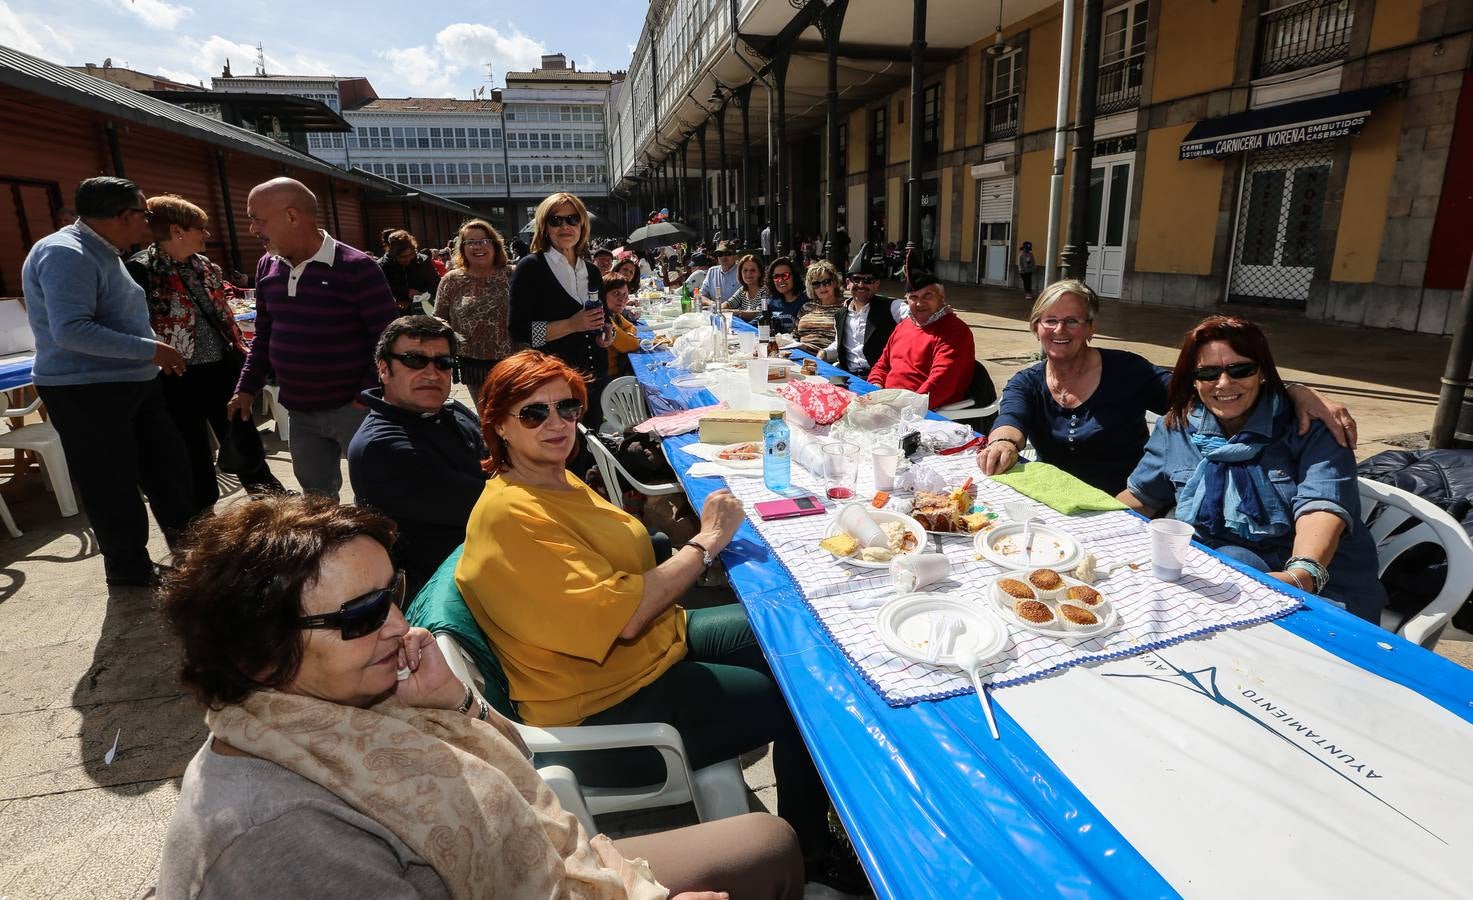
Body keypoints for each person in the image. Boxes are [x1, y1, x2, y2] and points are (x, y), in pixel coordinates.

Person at [155, 494, 805, 900]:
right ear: (255, 653)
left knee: (765, 842)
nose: (396, 627)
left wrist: (459, 706)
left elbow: (523, 769)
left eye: (391, 595)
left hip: (541, 861)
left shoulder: (340, 701)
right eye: (357, 616)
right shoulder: (285, 838)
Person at [455, 351, 864, 889]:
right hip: (609, 706)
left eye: (568, 407)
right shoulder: (512, 515)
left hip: (656, 644)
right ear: (499, 425)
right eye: (533, 413)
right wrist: (708, 540)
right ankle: (811, 851)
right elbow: (624, 617)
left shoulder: (550, 478)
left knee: (796, 627)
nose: (556, 423)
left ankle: (835, 794)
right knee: (803, 697)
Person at [1119, 316, 1387, 622]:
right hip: (1218, 575)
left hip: (1319, 588)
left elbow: (1321, 509)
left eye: (1240, 370)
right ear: (1193, 380)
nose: (1224, 384)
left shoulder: (1310, 426)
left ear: (1262, 373)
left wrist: (1302, 574)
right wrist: (1090, 527)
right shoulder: (1178, 425)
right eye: (1208, 373)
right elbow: (1142, 495)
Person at [977, 280, 1358, 495]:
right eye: (1051, 321)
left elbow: (1210, 390)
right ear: (1036, 327)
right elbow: (1012, 417)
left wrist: (1292, 389)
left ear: (1091, 328)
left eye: (1073, 321)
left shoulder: (1127, 370)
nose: (1060, 331)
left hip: (1130, 501)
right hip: (1057, 500)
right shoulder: (1028, 380)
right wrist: (1003, 443)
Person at [20, 176, 203, 586]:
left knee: (168, 470)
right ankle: (129, 570)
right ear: (124, 215)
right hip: (87, 390)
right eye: (144, 214)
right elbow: (72, 331)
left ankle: (194, 556)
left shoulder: (104, 250)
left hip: (131, 382)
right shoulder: (66, 253)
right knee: (112, 483)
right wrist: (151, 349)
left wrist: (148, 350)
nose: (147, 223)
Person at [228, 177, 399, 498]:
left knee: (377, 495)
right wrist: (246, 388)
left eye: (257, 219)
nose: (252, 229)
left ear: (292, 216)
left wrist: (365, 395)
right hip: (300, 412)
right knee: (317, 501)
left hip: (354, 411)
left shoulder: (357, 267)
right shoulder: (267, 266)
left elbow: (388, 339)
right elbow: (264, 336)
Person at [125, 194, 284, 504]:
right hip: (177, 375)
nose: (207, 234)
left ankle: (269, 501)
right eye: (200, 227)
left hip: (223, 366)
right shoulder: (142, 270)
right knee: (191, 447)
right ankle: (203, 510)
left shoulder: (206, 266)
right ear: (177, 230)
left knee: (242, 437)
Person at [348, 316, 486, 595]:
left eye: (443, 363)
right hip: (448, 593)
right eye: (414, 360)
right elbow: (491, 504)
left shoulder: (452, 411)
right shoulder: (381, 447)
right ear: (384, 369)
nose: (432, 373)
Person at [867, 256, 976, 409]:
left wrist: (901, 407)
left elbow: (940, 384)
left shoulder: (955, 331)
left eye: (927, 296)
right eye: (913, 297)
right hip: (888, 403)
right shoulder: (904, 325)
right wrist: (875, 387)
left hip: (924, 413)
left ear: (942, 297)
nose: (919, 303)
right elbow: (882, 365)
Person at [432, 218, 515, 406]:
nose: (478, 246)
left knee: (515, 416)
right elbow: (438, 319)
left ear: (495, 245)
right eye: (471, 242)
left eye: (484, 241)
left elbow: (534, 315)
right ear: (462, 248)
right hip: (473, 367)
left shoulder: (514, 275)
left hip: (513, 363)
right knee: (486, 417)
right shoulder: (451, 280)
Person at [822, 251, 902, 378]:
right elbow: (839, 345)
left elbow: (916, 315)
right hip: (848, 377)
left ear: (876, 284)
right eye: (856, 279)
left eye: (868, 280)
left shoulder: (892, 307)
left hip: (880, 378)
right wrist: (824, 353)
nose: (861, 285)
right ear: (848, 283)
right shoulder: (840, 315)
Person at [378, 230, 441, 316]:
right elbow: (380, 291)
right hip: (395, 315)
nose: (408, 259)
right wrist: (404, 293)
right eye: (403, 257)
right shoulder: (381, 266)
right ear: (393, 254)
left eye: (411, 254)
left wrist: (420, 295)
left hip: (424, 311)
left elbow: (437, 285)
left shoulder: (423, 261)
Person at [793, 259, 843, 356]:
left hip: (826, 359)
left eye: (826, 282)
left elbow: (843, 344)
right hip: (799, 355)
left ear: (835, 283)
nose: (822, 287)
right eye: (816, 284)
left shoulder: (844, 308)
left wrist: (808, 348)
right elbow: (795, 336)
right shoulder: (807, 307)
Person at [600, 273, 641, 379]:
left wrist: (629, 334)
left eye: (625, 294)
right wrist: (630, 337)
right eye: (616, 293)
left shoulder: (614, 314)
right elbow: (632, 345)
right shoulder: (603, 319)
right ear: (602, 295)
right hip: (608, 380)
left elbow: (631, 327)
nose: (622, 299)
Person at [764, 256, 806, 333]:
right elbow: (756, 324)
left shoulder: (806, 301)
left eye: (785, 276)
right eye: (776, 277)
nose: (780, 280)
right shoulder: (770, 302)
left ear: (794, 276)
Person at [723, 253, 768, 321]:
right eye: (745, 270)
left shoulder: (764, 291)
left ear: (760, 273)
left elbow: (759, 314)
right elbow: (727, 305)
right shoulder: (742, 291)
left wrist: (737, 312)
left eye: (752, 270)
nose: (748, 273)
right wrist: (722, 308)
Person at [697, 240, 741, 309]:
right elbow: (700, 295)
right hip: (716, 313)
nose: (723, 257)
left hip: (736, 315)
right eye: (720, 254)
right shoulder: (712, 271)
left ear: (735, 256)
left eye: (728, 254)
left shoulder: (743, 272)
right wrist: (712, 303)